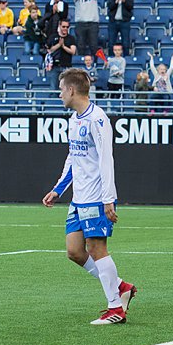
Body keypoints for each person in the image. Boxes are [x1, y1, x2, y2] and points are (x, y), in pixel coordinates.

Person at [41, 68, 137, 325]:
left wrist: (108, 198)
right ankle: (121, 287)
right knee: (74, 251)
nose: (60, 94)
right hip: (78, 198)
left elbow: (107, 160)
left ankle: (115, 308)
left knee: (97, 249)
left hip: (96, 196)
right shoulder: (74, 119)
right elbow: (73, 157)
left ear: (72, 90)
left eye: (61, 89)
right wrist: (58, 189)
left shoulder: (98, 119)